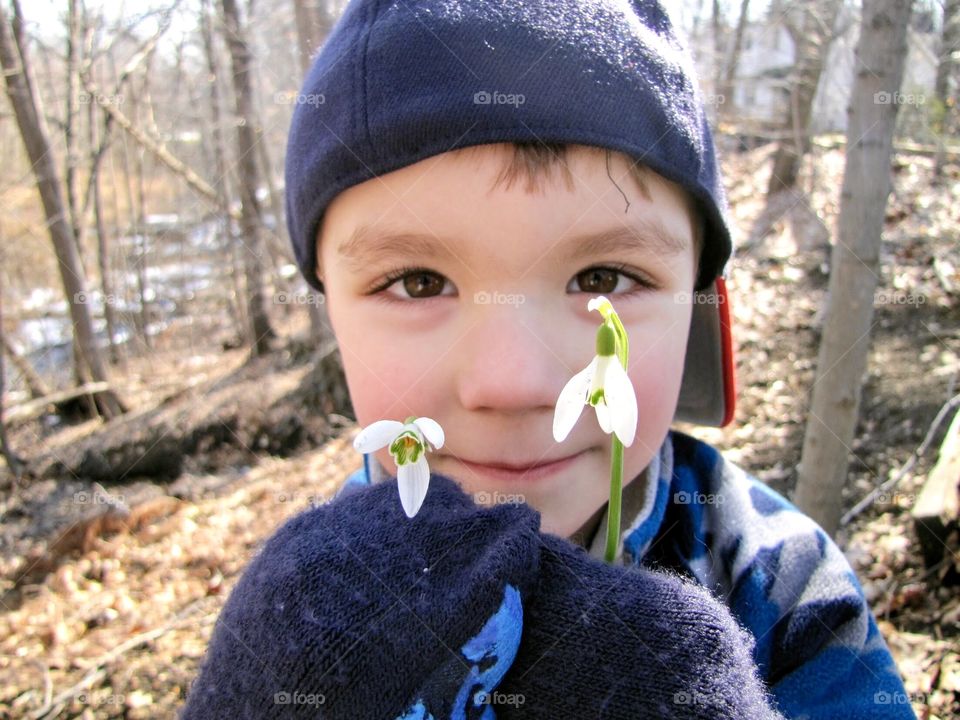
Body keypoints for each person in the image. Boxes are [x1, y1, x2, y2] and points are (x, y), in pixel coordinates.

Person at [181, 1, 914, 718]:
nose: (514, 384)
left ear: (698, 294)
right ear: (329, 310)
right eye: (418, 283)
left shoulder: (783, 591)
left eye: (602, 278)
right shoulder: (312, 607)